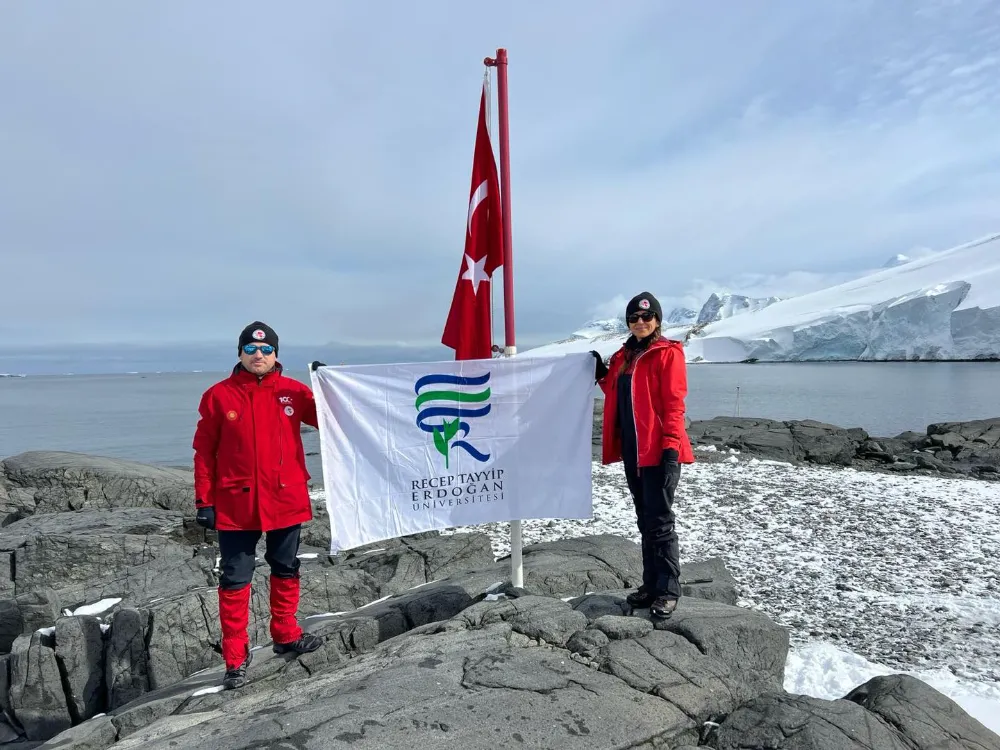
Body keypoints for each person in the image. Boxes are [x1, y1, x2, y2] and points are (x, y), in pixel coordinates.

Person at [192, 321, 323, 690]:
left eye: (266, 350)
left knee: (285, 566)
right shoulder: (218, 396)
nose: (259, 356)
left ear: (276, 354)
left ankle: (286, 633)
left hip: (286, 497)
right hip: (236, 504)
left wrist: (331, 389)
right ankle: (235, 658)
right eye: (251, 349)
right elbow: (204, 452)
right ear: (239, 354)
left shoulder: (295, 393)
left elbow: (333, 421)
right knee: (234, 579)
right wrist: (205, 500)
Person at [593, 292, 694, 619]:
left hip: (659, 451)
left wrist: (670, 448)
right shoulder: (623, 356)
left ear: (657, 321)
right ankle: (651, 584)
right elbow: (617, 391)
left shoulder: (667, 354)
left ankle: (668, 589)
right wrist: (600, 375)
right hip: (634, 451)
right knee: (645, 520)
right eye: (634, 318)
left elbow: (674, 404)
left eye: (646, 318)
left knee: (660, 522)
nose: (640, 322)